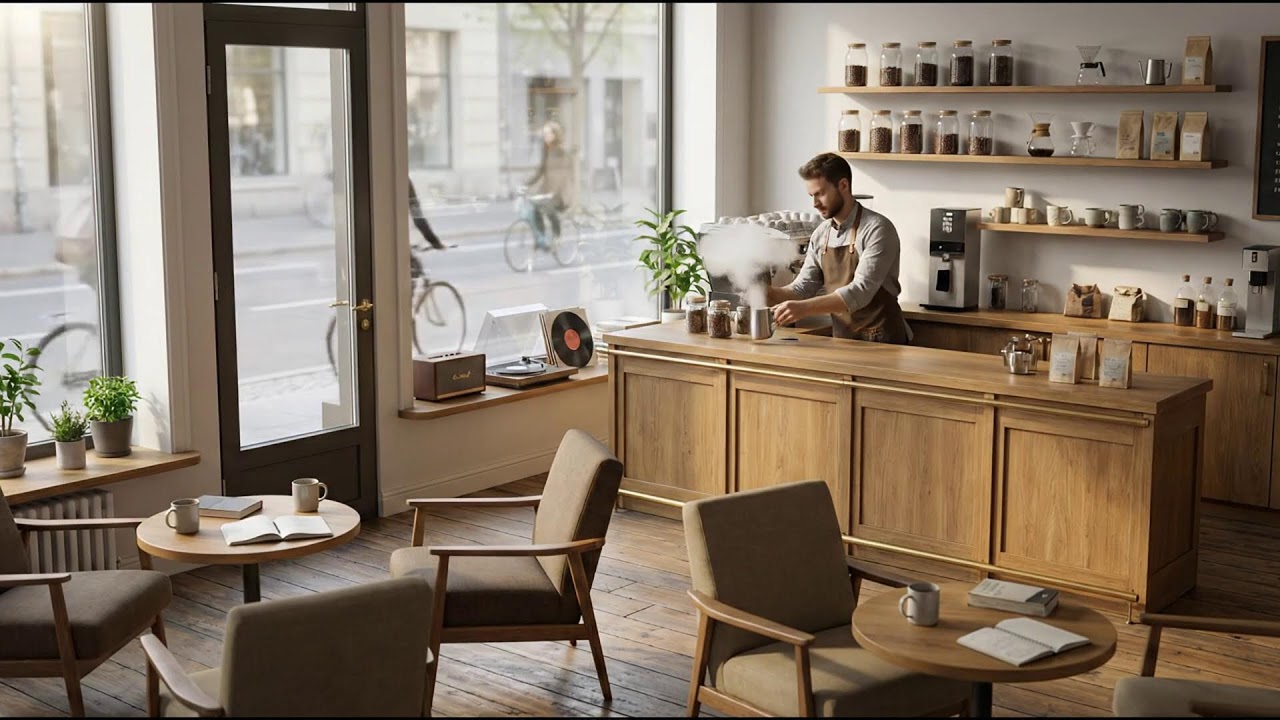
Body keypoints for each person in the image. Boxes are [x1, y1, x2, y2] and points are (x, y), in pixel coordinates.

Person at [766, 152, 909, 344]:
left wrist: (803, 308)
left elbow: (860, 292)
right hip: (843, 339)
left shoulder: (877, 229)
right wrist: (767, 293)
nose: (814, 204)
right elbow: (803, 288)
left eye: (820, 194)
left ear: (843, 185)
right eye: (811, 195)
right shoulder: (821, 234)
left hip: (883, 341)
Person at [523, 120, 573, 249]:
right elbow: (540, 170)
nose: (545, 136)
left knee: (549, 209)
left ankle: (557, 235)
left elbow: (564, 175)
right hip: (546, 190)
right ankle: (542, 238)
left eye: (548, 133)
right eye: (544, 134)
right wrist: (526, 184)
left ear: (555, 135)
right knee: (534, 208)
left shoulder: (562, 152)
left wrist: (554, 193)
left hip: (560, 193)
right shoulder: (546, 151)